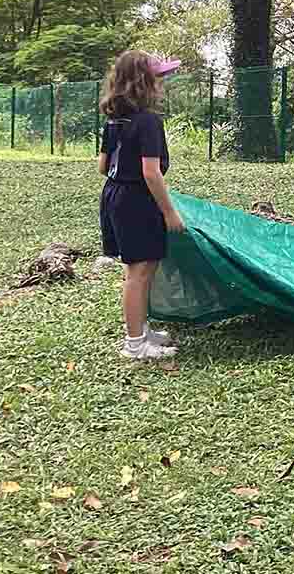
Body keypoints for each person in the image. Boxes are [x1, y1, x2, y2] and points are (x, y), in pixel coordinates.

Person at [98, 50, 186, 361]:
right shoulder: (148, 121)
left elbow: (102, 165)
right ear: (143, 82)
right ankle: (135, 344)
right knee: (139, 271)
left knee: (140, 268)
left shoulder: (114, 119)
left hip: (114, 194)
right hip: (137, 199)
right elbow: (151, 172)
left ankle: (141, 329)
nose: (162, 84)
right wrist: (169, 211)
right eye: (158, 78)